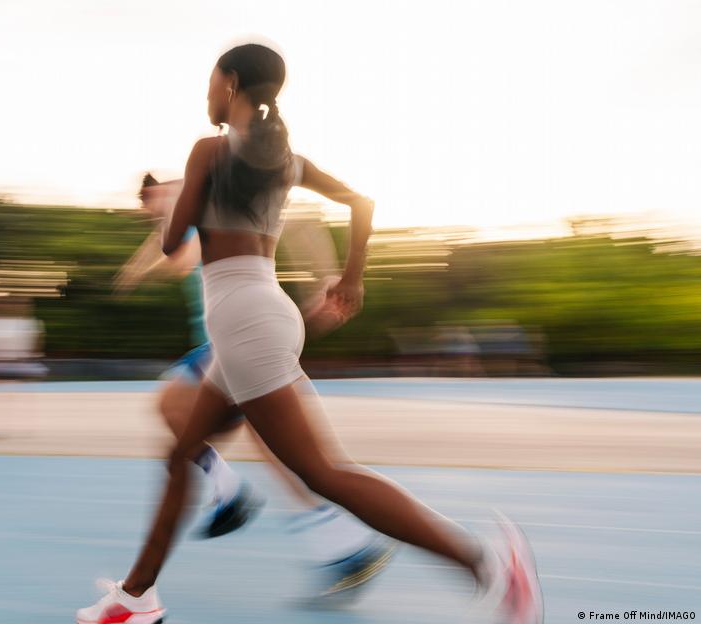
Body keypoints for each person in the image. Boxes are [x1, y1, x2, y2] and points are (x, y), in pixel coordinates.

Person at [77, 42, 542, 624]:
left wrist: (168, 206)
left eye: (210, 82)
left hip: (245, 321)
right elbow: (361, 202)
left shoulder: (208, 151)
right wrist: (352, 280)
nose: (205, 95)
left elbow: (174, 244)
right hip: (258, 316)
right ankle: (136, 597)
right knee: (183, 454)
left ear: (232, 84)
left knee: (323, 473)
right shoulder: (286, 161)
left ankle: (487, 565)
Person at [116, 174, 397, 601]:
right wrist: (136, 267)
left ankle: (230, 493)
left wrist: (327, 275)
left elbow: (181, 254)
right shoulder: (193, 203)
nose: (151, 218)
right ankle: (346, 545)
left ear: (158, 193)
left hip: (238, 338)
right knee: (289, 459)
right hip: (245, 337)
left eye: (149, 209)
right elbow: (300, 222)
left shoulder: (195, 201)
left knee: (171, 405)